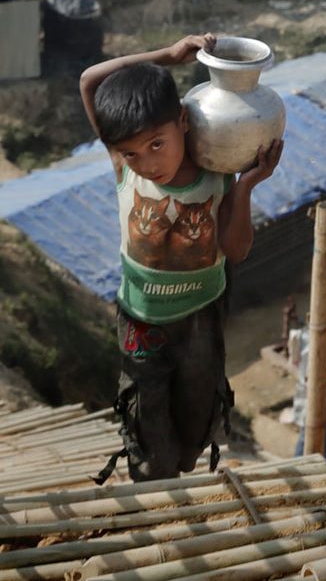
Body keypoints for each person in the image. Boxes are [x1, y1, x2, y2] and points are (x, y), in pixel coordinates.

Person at [79, 34, 283, 482]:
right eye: (131, 152)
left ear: (184, 121)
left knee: (195, 426)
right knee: (147, 430)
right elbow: (90, 80)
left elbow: (236, 249)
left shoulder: (217, 172)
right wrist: (167, 55)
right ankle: (155, 497)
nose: (147, 163)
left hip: (200, 320)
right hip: (140, 321)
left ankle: (178, 479)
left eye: (157, 144)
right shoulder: (121, 166)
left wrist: (246, 186)